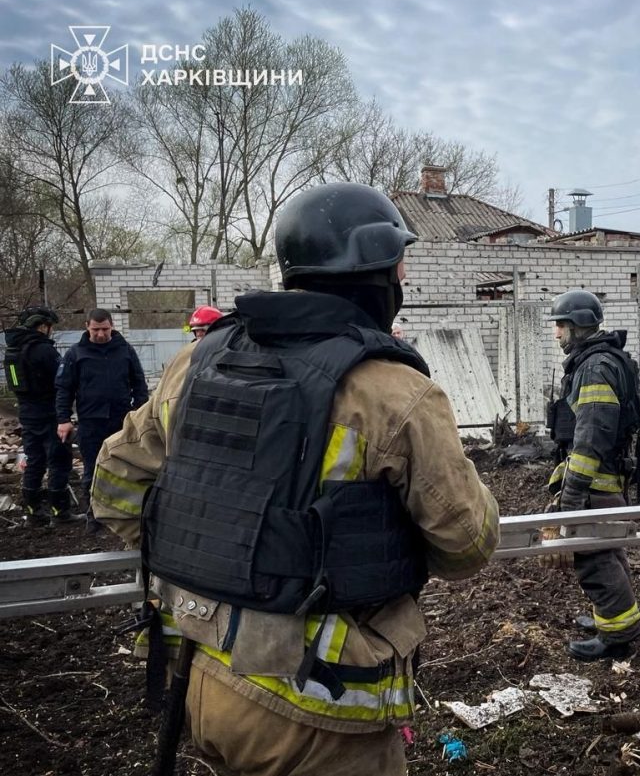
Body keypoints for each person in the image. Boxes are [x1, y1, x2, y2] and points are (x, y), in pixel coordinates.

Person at [91, 182, 500, 776]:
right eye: (399, 265)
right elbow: (466, 546)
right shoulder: (395, 392)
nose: (403, 278)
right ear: (376, 273)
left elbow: (114, 485)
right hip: (316, 706)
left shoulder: (198, 361)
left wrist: (205, 555)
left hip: (198, 675)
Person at [545, 289, 640, 661]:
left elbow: (590, 439)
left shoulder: (595, 367)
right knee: (608, 549)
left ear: (580, 325)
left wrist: (571, 497)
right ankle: (613, 618)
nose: (557, 334)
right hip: (607, 477)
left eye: (561, 325)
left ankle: (617, 636)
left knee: (595, 557)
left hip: (595, 481)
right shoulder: (599, 360)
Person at [55, 308, 148, 532]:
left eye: (105, 329)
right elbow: (64, 389)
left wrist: (139, 412)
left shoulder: (125, 350)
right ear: (87, 326)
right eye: (96, 329)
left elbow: (139, 383)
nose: (100, 334)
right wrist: (63, 419)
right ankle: (94, 515)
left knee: (124, 468)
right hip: (91, 422)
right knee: (92, 469)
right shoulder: (76, 354)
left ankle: (123, 514)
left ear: (112, 326)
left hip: (121, 420)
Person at [3, 306, 74, 527]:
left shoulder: (13, 351)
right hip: (50, 413)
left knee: (34, 462)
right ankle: (60, 511)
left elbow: (15, 385)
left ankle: (34, 513)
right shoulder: (44, 350)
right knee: (59, 461)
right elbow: (63, 381)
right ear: (43, 326)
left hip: (27, 414)